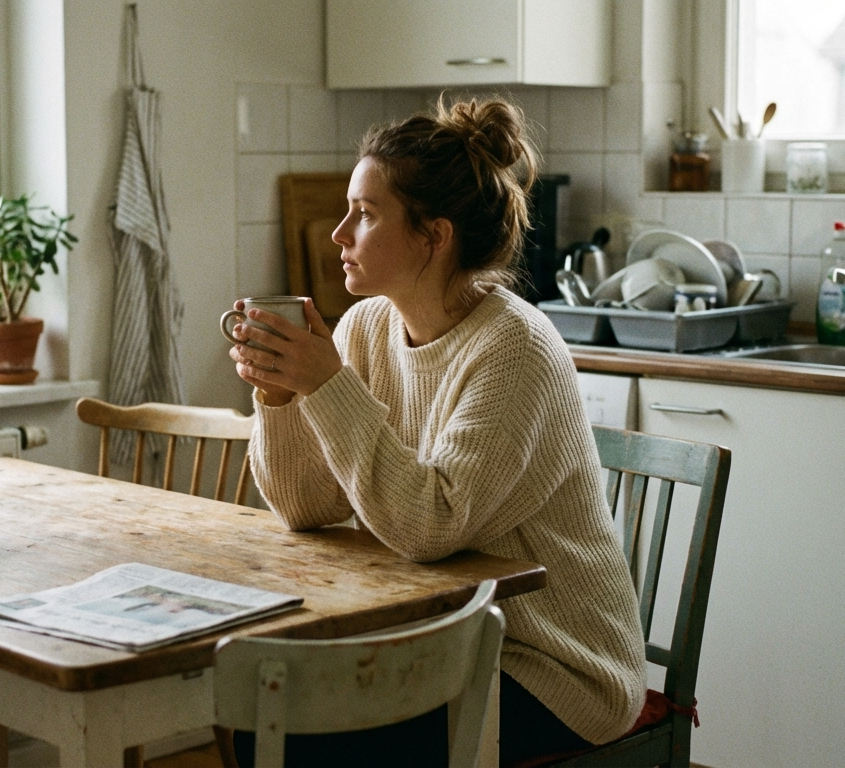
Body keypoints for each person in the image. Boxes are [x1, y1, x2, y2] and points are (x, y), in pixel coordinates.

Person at [226, 97, 646, 766]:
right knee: (263, 716)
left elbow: (431, 525)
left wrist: (328, 387)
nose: (338, 233)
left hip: (551, 666)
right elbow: (308, 508)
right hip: (439, 636)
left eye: (364, 215)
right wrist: (280, 396)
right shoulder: (367, 328)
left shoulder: (516, 351)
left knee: (303, 738)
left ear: (434, 235)